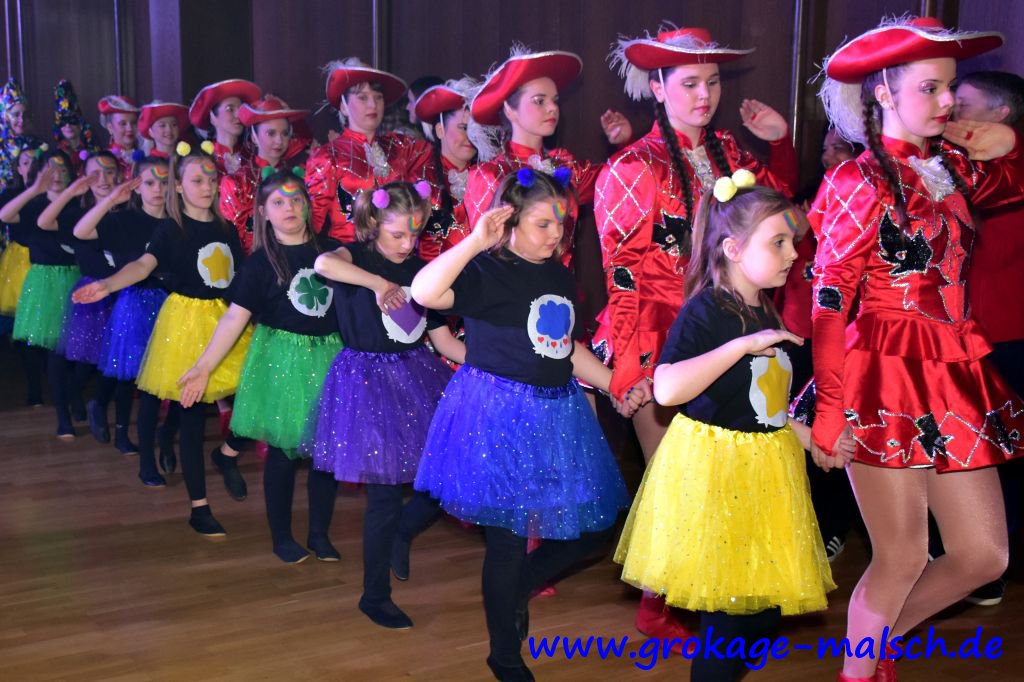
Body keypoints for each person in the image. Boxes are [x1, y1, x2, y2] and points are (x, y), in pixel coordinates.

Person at [811, 17, 1024, 681]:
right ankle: (861, 669)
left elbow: (1013, 173)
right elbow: (829, 302)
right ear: (882, 92)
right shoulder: (858, 180)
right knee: (901, 556)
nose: (947, 101)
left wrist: (979, 135)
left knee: (983, 557)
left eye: (951, 87)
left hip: (953, 372)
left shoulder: (949, 168)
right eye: (930, 88)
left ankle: (870, 648)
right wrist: (830, 409)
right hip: (879, 372)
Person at [597, 22, 800, 640]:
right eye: (688, 83)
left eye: (712, 82)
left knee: (723, 487)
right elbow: (622, 274)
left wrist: (780, 147)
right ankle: (666, 608)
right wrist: (631, 365)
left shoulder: (733, 155)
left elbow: (778, 227)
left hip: (730, 326)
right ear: (657, 88)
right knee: (677, 483)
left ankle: (713, 609)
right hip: (660, 335)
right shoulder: (633, 166)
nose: (704, 95)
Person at [411, 169, 636, 680]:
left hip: (556, 413)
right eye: (542, 224)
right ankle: (505, 653)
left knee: (594, 531)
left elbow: (565, 348)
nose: (556, 234)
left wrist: (613, 385)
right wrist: (475, 241)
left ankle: (517, 589)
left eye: (561, 223)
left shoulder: (558, 276)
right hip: (497, 416)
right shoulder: (485, 271)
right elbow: (424, 291)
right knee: (508, 542)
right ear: (508, 222)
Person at [615, 174, 838, 682]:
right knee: (730, 615)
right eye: (778, 242)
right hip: (717, 473)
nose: (792, 254)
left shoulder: (761, 306)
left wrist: (814, 441)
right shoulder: (708, 309)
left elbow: (763, 405)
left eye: (793, 242)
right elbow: (667, 389)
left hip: (766, 471)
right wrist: (741, 346)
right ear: (734, 249)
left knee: (762, 614)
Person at [180, 170, 342, 563]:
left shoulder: (333, 255)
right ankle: (281, 536)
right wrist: (204, 366)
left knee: (324, 453)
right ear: (264, 213)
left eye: (297, 200)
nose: (290, 208)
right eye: (279, 202)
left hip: (329, 357)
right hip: (282, 360)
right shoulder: (259, 265)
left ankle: (319, 533)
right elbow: (234, 318)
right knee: (285, 451)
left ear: (308, 206)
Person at [305, 58, 432, 244]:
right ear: (343, 107)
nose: (373, 105)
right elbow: (310, 224)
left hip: (401, 251)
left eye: (378, 97)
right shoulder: (328, 156)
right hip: (349, 254)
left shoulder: (402, 147)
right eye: (363, 97)